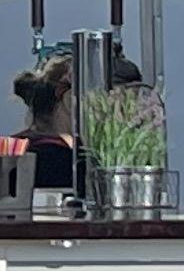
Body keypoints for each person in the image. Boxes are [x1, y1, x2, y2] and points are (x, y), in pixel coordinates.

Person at [8, 52, 141, 191]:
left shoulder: (12, 150)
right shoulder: (62, 163)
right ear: (69, 97)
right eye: (117, 103)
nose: (128, 115)